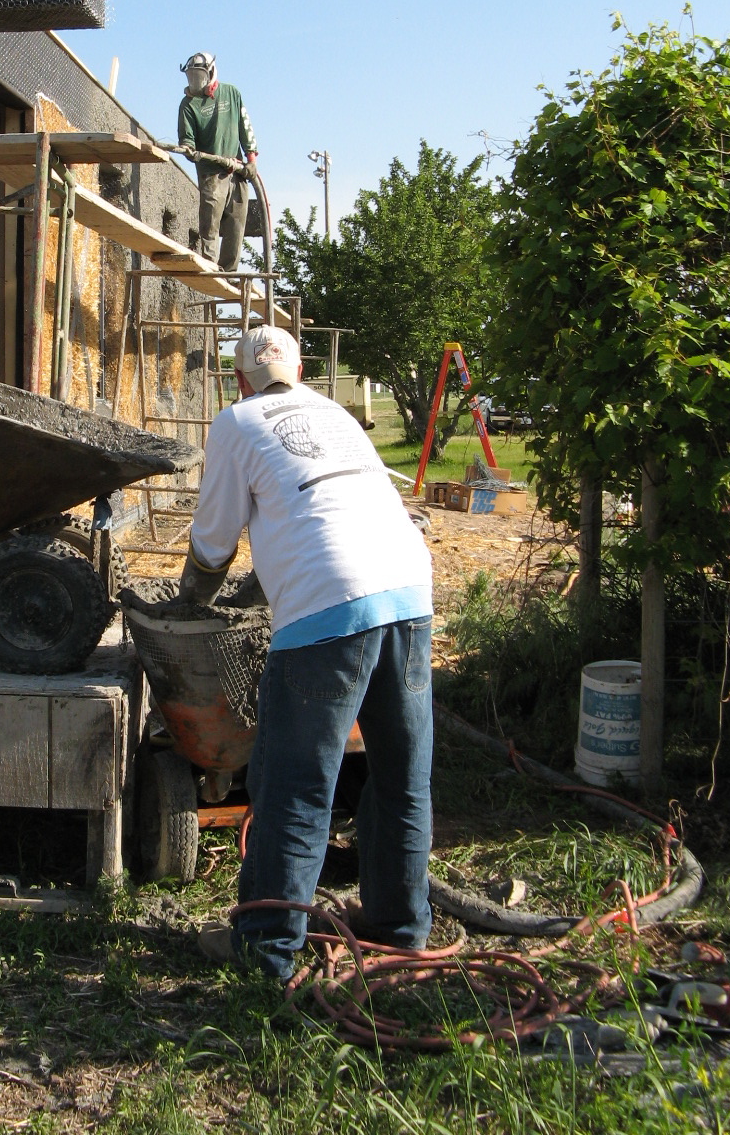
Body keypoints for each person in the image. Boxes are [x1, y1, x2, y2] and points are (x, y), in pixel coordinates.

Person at [179, 325, 434, 979]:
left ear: (239, 380)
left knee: (292, 786)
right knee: (402, 776)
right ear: (303, 370)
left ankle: (266, 954)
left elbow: (213, 541)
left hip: (327, 606)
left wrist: (192, 597)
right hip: (408, 591)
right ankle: (400, 930)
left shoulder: (237, 421)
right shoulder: (337, 414)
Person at [177, 52, 258, 272]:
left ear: (211, 72)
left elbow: (245, 126)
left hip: (237, 170)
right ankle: (210, 267)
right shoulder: (188, 104)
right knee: (210, 222)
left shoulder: (231, 94)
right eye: (192, 76)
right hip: (211, 173)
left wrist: (251, 158)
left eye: (199, 75)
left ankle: (229, 271)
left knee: (236, 223)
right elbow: (187, 138)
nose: (195, 80)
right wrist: (189, 149)